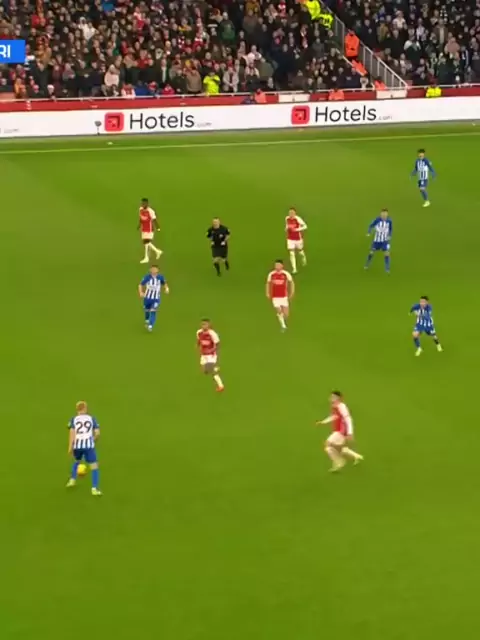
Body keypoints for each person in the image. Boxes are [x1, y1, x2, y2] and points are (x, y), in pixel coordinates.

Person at [315, 391, 363, 472]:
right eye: (331, 396)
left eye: (334, 397)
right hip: (338, 430)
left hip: (342, 431)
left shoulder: (342, 407)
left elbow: (348, 419)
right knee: (338, 448)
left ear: (339, 398)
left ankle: (339, 462)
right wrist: (323, 422)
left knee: (327, 444)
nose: (331, 398)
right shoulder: (334, 406)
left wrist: (350, 433)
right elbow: (334, 416)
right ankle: (356, 456)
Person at [66, 401, 102, 496]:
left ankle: (72, 480)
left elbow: (72, 433)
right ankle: (94, 488)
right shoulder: (92, 419)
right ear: (85, 409)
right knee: (94, 466)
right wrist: (92, 440)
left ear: (77, 409)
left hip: (77, 446)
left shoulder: (73, 419)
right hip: (88, 446)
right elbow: (97, 433)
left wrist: (70, 447)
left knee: (77, 461)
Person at [138, 265, 169, 332]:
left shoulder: (160, 277)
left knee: (153, 310)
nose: (154, 270)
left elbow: (164, 283)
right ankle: (147, 320)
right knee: (147, 310)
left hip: (156, 298)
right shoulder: (147, 277)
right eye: (152, 269)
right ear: (150, 270)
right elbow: (140, 284)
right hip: (147, 298)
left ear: (158, 270)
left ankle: (150, 325)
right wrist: (140, 292)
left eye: (155, 269)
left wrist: (166, 288)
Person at [196, 319, 225, 392]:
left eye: (205, 324)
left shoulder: (213, 334)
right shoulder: (199, 332)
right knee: (205, 371)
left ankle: (221, 386)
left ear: (209, 325)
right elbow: (199, 340)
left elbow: (217, 344)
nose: (204, 326)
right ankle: (215, 368)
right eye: (203, 324)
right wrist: (197, 346)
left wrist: (214, 352)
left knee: (211, 371)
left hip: (211, 355)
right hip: (203, 354)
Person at [266, 259, 295, 331]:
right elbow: (268, 283)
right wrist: (267, 292)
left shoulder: (286, 274)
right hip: (275, 297)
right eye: (276, 265)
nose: (277, 266)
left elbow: (291, 282)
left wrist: (292, 292)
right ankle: (283, 326)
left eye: (278, 265)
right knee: (279, 310)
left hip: (284, 296)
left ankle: (281, 318)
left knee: (286, 315)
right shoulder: (271, 274)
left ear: (282, 266)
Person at [364, 208, 392, 273]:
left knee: (386, 254)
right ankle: (367, 264)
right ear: (381, 214)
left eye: (385, 214)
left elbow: (390, 229)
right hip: (376, 241)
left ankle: (387, 268)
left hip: (384, 241)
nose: (384, 215)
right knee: (371, 252)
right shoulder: (377, 220)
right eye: (383, 213)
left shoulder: (389, 221)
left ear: (387, 214)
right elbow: (371, 226)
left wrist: (389, 235)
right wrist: (369, 232)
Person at [138, 198, 162, 264]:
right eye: (142, 203)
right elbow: (141, 218)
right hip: (144, 228)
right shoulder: (140, 209)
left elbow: (154, 220)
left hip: (149, 229)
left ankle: (147, 257)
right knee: (145, 243)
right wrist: (139, 225)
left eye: (144, 203)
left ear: (147, 204)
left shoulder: (150, 211)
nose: (143, 204)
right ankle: (157, 252)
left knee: (146, 242)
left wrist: (158, 227)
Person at [285, 208, 307, 274]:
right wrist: (286, 228)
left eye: (292, 213)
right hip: (290, 239)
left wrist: (297, 229)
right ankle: (294, 269)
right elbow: (287, 225)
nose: (291, 214)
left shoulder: (298, 219)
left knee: (300, 252)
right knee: (291, 253)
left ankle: (303, 258)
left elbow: (305, 226)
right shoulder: (287, 218)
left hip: (298, 238)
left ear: (295, 213)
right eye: (290, 212)